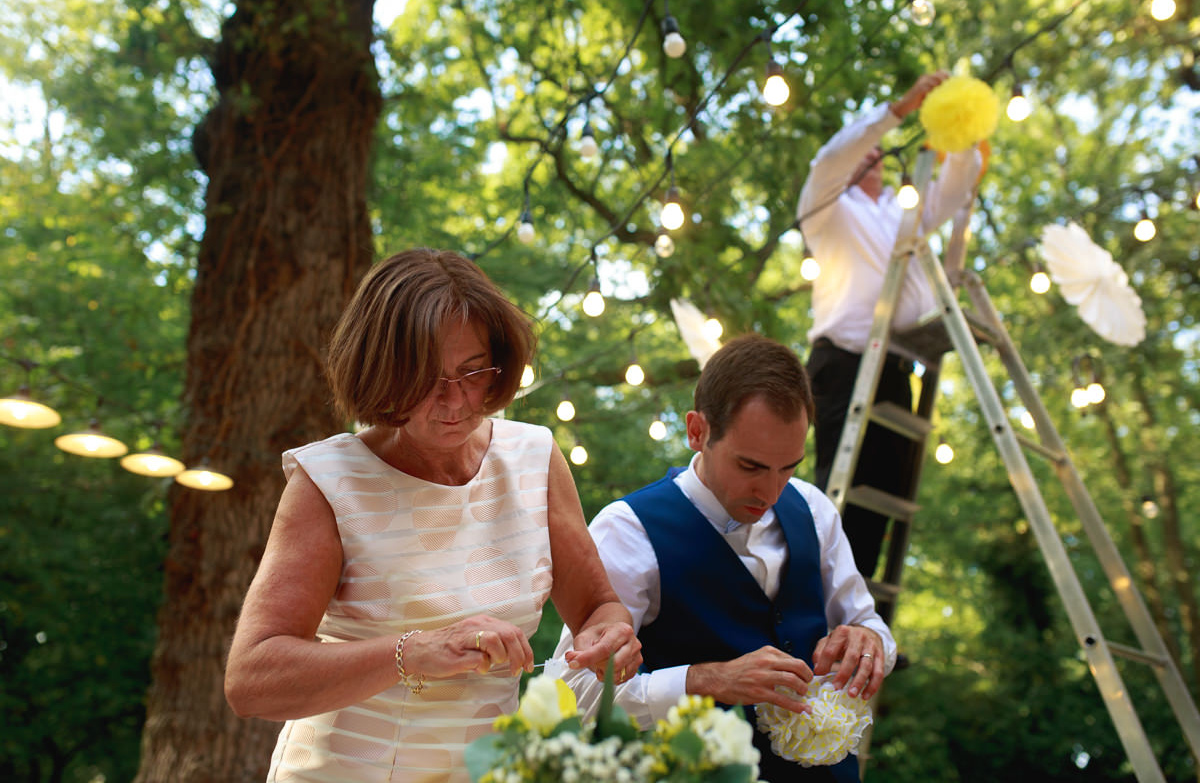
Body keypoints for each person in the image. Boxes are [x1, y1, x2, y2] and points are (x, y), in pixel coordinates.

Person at [224, 249, 642, 783]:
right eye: (427, 378)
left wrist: (609, 638)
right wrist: (414, 651)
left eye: (473, 373)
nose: (455, 402)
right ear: (380, 373)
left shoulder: (533, 458)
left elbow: (599, 609)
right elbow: (252, 680)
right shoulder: (329, 481)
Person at [553, 334, 896, 783]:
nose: (772, 492)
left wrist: (868, 642)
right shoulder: (628, 529)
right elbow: (571, 692)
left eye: (788, 467)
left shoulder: (813, 508)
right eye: (751, 467)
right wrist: (701, 681)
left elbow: (874, 631)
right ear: (698, 431)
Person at [796, 71, 982, 579]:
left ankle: (866, 624)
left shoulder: (903, 214)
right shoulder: (827, 210)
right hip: (842, 361)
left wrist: (960, 133)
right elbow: (829, 160)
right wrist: (898, 111)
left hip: (896, 364)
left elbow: (956, 189)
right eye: (867, 149)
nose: (873, 156)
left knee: (885, 493)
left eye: (878, 151)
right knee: (840, 490)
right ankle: (824, 611)